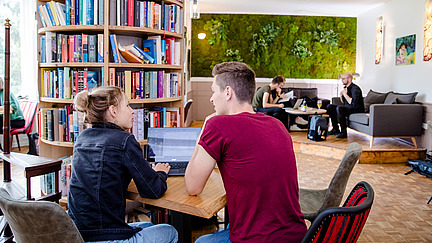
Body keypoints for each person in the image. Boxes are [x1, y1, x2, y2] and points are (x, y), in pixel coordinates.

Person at [185, 62, 307, 242]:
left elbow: (192, 187)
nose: (211, 98)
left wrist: (203, 131)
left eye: (213, 91)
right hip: (296, 235)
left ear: (227, 92)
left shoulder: (217, 125)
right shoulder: (277, 125)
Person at [68, 86, 178, 243]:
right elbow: (153, 191)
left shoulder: (82, 137)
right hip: (105, 237)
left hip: (78, 234)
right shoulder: (124, 140)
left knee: (147, 224)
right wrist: (160, 173)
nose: (132, 111)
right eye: (127, 105)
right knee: (170, 231)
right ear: (113, 111)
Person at [326, 72, 365, 138]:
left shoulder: (355, 89)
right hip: (349, 107)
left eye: (344, 79)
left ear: (349, 79)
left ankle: (343, 132)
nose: (342, 80)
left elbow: (353, 103)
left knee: (340, 109)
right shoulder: (346, 88)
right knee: (330, 107)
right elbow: (344, 102)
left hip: (357, 109)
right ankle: (335, 129)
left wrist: (345, 94)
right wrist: (342, 96)